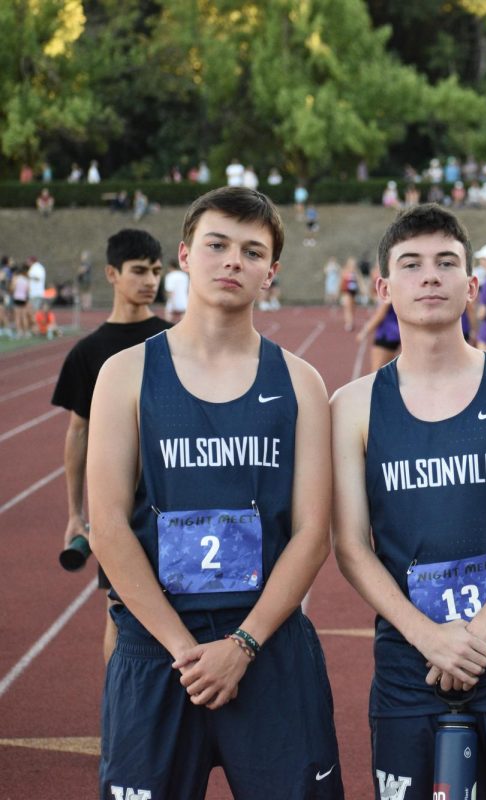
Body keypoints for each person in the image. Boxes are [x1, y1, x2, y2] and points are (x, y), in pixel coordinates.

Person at [87, 187, 343, 797]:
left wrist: (243, 644)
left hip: (268, 646)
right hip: (159, 652)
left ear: (271, 273)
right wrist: (185, 650)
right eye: (217, 245)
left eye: (252, 251)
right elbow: (108, 524)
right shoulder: (125, 374)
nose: (233, 260)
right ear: (185, 254)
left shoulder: (301, 382)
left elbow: (312, 533)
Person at [331, 203, 486, 798]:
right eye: (410, 264)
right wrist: (429, 637)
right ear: (384, 286)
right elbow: (352, 547)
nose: (429, 276)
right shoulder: (353, 407)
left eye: (445, 262)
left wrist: (478, 632)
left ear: (472, 285)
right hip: (410, 661)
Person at [51, 230, 171, 663]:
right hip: (120, 504)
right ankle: (121, 717)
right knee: (120, 610)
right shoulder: (88, 353)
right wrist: (75, 515)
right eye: (139, 270)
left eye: (156, 271)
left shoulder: (174, 340)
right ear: (111, 275)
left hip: (173, 495)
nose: (150, 280)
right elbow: (77, 433)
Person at [162, 258, 189, 323]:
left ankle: (167, 328)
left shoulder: (170, 276)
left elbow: (169, 290)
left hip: (173, 301)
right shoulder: (184, 275)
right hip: (184, 301)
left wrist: (170, 301)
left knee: (168, 319)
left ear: (170, 266)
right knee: (183, 320)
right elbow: (187, 289)